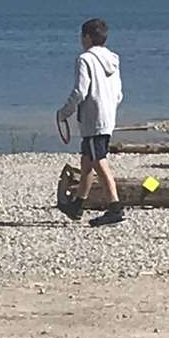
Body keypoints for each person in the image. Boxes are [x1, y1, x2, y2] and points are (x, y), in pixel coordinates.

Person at [56, 18, 125, 226]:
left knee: (98, 160)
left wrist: (64, 112)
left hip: (93, 119)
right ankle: (78, 205)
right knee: (87, 161)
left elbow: (80, 91)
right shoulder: (113, 59)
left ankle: (115, 206)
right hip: (106, 117)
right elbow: (119, 93)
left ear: (87, 37)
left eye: (81, 36)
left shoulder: (85, 59)